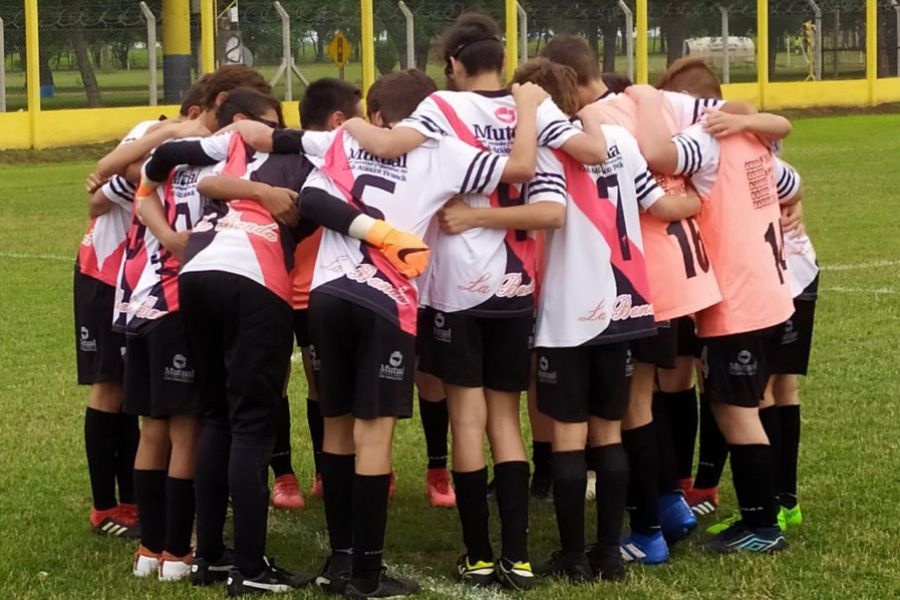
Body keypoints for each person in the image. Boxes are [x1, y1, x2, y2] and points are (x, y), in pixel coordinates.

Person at [235, 68, 550, 597]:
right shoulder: (445, 152)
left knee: (337, 427)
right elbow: (520, 166)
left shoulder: (345, 138)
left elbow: (310, 202)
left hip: (329, 295)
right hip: (386, 303)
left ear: (378, 116)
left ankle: (341, 559)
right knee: (373, 435)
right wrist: (524, 109)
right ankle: (366, 574)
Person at [340, 16, 605, 590]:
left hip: (456, 283)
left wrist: (343, 126)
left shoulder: (443, 108)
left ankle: (480, 555)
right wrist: (531, 114)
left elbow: (387, 143)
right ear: (504, 62)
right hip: (516, 284)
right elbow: (581, 165)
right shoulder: (531, 110)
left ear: (457, 65)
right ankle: (520, 557)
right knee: (506, 417)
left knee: (467, 416)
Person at [139, 84, 426, 596]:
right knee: (253, 424)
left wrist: (151, 201)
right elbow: (317, 201)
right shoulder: (304, 154)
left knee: (215, 416)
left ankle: (208, 556)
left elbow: (162, 158)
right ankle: (247, 566)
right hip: (254, 276)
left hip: (197, 269)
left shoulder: (227, 148)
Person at [452, 57, 696, 582]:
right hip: (627, 302)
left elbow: (548, 214)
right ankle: (609, 553)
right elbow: (654, 202)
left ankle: (572, 555)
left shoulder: (544, 149)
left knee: (568, 435)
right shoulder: (620, 141)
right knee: (608, 432)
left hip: (572, 309)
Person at [629, 63, 795, 553]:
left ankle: (762, 528)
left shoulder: (705, 139)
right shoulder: (757, 141)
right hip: (772, 291)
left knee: (733, 409)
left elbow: (658, 153)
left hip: (737, 302)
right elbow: (792, 184)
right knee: (751, 405)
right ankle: (759, 515)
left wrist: (643, 100)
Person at [120, 66, 274, 582]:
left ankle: (148, 548)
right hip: (177, 301)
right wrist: (177, 242)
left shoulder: (176, 155)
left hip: (140, 301)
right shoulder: (228, 155)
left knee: (151, 430)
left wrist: (162, 229)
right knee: (190, 430)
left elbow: (140, 192)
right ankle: (178, 551)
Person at [271, 78, 365, 510]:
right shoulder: (284, 160)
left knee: (319, 384)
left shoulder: (342, 158)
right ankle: (283, 475)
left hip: (314, 292)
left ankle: (328, 470)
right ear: (337, 120)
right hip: (272, 288)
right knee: (274, 384)